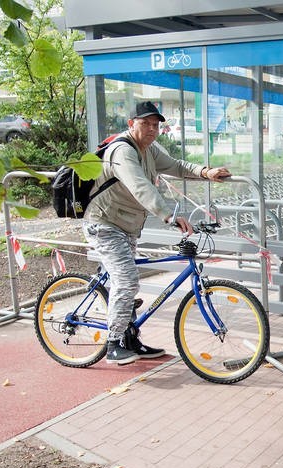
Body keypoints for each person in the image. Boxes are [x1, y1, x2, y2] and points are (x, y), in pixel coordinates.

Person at [83, 101, 231, 365]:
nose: (152, 129)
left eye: (156, 124)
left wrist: (206, 172)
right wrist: (169, 216)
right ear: (131, 124)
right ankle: (114, 343)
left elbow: (176, 166)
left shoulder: (149, 150)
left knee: (125, 280)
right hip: (104, 224)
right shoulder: (121, 150)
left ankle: (131, 339)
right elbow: (140, 186)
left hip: (126, 226)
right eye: (145, 123)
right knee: (127, 280)